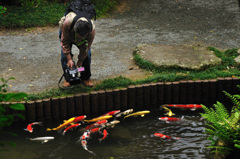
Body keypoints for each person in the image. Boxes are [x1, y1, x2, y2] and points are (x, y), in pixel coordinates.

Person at [59, 11, 95, 87]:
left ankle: (86, 78)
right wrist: (69, 59)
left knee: (87, 55)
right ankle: (68, 79)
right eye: (79, 36)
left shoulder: (91, 31)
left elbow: (86, 48)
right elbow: (64, 42)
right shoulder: (67, 23)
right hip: (68, 33)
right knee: (64, 56)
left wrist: (80, 62)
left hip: (82, 35)